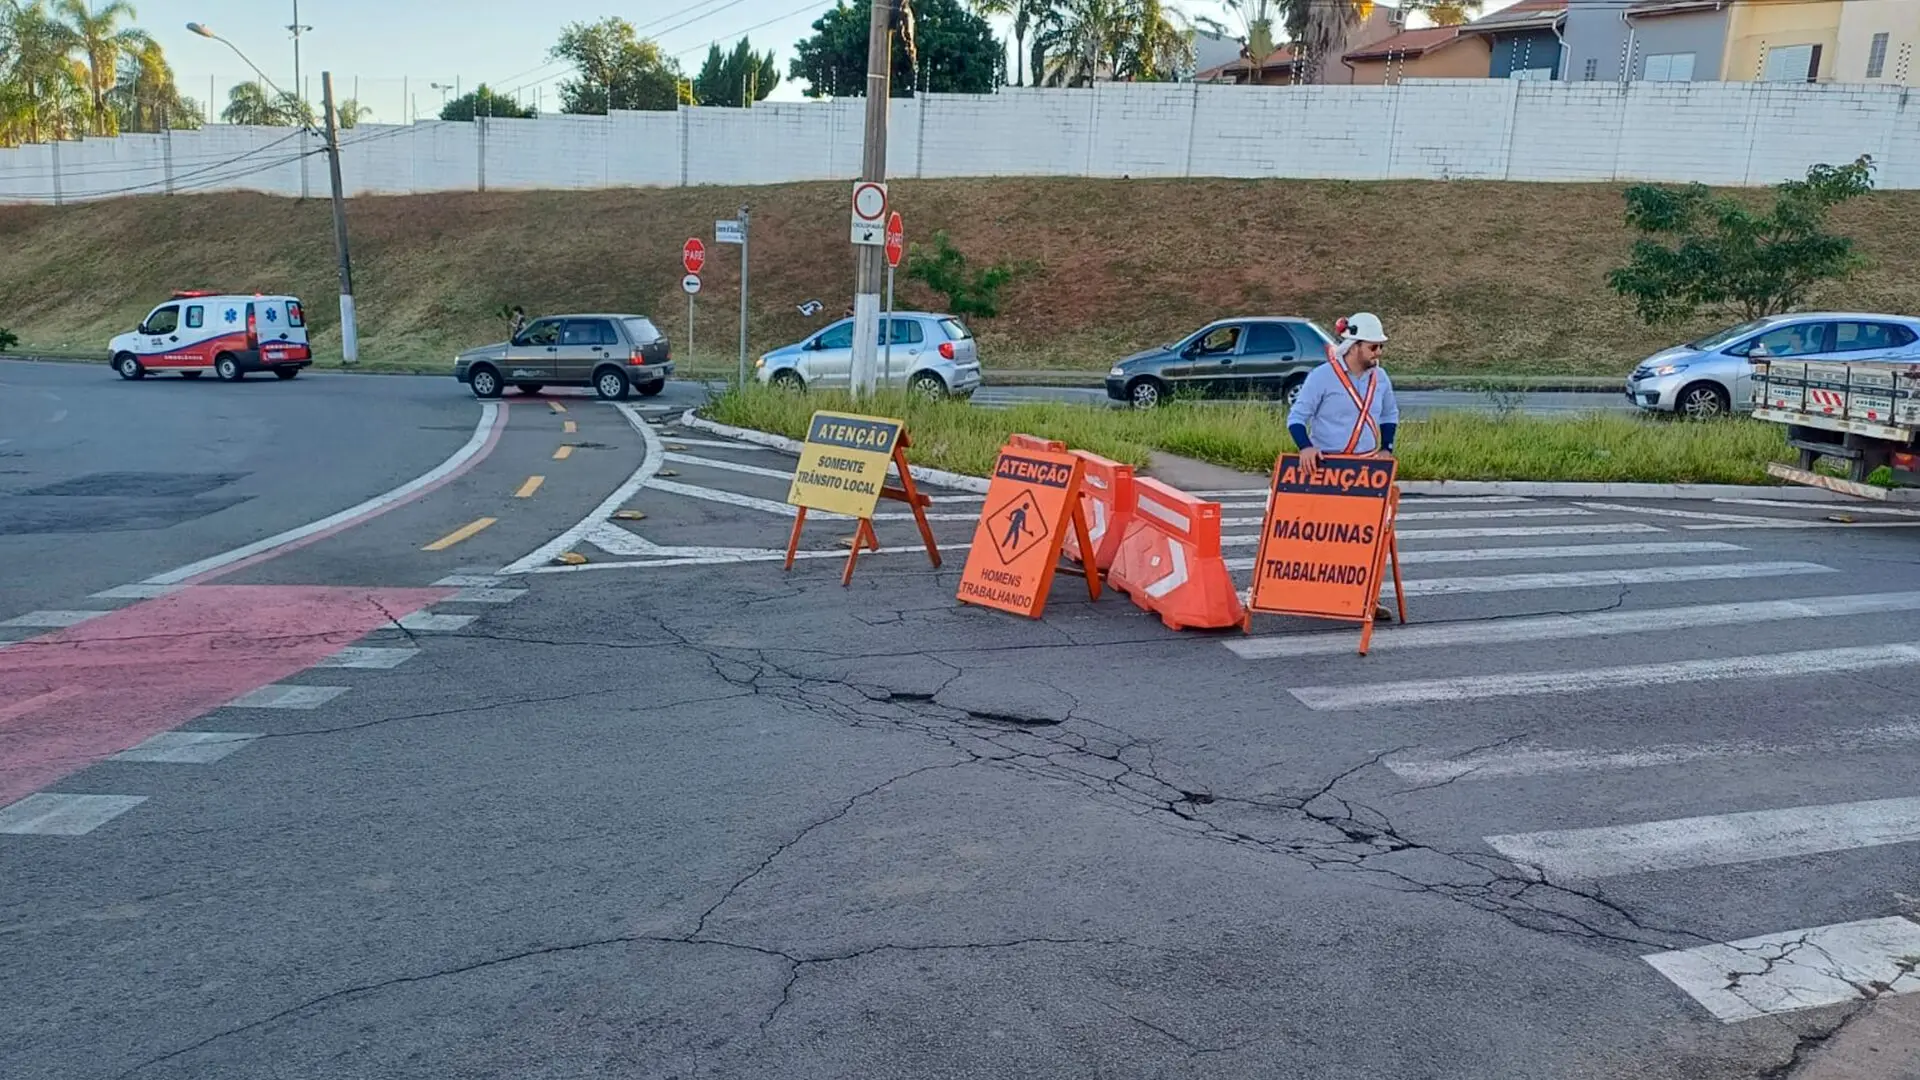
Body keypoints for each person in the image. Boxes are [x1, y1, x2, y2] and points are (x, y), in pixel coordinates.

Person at [1286, 311, 1400, 621]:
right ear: (1354, 345)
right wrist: (1305, 447)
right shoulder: (1322, 377)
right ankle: (1312, 594)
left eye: (1380, 347)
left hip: (1366, 470)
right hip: (1328, 469)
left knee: (1365, 540)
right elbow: (1296, 418)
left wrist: (1387, 449)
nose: (1378, 353)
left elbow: (1390, 415)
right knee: (1322, 537)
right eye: (1373, 347)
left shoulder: (1381, 378)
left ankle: (1365, 600)